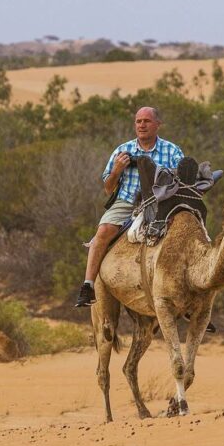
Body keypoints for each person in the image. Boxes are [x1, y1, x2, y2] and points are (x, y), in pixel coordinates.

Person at [75, 106, 183, 308]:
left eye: (147, 121)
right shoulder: (122, 150)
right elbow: (108, 189)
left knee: (188, 231)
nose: (142, 125)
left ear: (158, 124)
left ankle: (192, 295)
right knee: (103, 231)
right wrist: (116, 170)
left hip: (161, 203)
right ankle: (87, 286)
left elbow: (181, 181)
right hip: (127, 202)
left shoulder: (173, 150)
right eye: (138, 121)